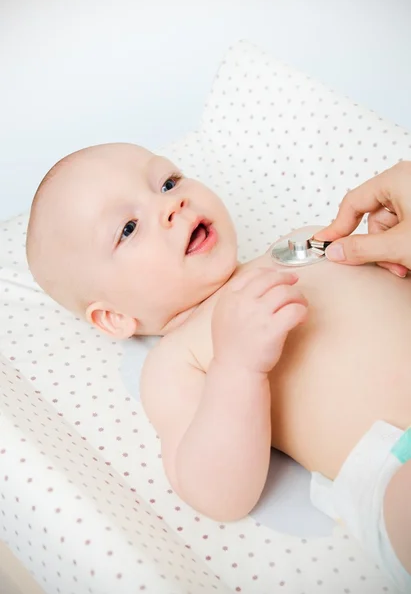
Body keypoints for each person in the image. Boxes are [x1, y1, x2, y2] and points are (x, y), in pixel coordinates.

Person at [26, 144, 411, 591]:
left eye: (168, 182)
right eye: (128, 228)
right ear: (113, 317)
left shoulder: (304, 241)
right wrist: (238, 368)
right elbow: (218, 494)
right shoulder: (178, 359)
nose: (172, 205)